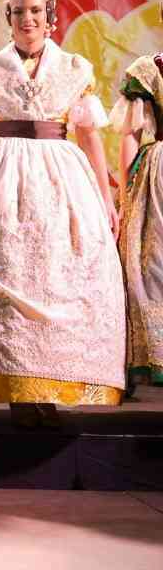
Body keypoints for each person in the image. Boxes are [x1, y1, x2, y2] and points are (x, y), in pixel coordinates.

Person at [0, 0, 125, 425]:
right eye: (19, 12)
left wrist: (105, 199)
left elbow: (89, 136)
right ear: (8, 19)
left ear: (50, 18)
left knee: (60, 271)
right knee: (7, 267)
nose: (28, 19)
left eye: (35, 11)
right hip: (1, 179)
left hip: (61, 178)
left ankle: (55, 384)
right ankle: (14, 387)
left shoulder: (74, 68)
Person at [112, 46, 163, 387]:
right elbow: (130, 133)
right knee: (152, 264)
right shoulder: (151, 68)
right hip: (160, 173)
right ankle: (150, 354)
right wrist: (127, 189)